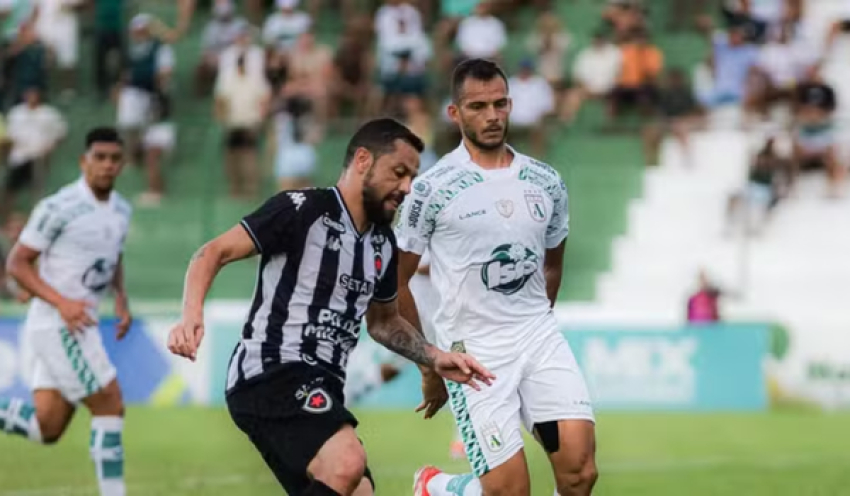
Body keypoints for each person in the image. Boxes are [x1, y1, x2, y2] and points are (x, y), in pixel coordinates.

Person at [166, 118, 494, 496]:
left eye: (412, 178)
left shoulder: (383, 243)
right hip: (272, 370)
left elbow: (385, 323)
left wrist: (431, 359)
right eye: (399, 173)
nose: (406, 188)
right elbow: (212, 252)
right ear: (363, 160)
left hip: (323, 382)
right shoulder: (300, 209)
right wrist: (191, 315)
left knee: (360, 492)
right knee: (346, 461)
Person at [399, 58, 597, 496]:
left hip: (537, 336)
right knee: (510, 492)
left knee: (580, 473)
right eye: (478, 106)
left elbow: (552, 262)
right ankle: (438, 488)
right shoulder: (431, 189)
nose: (491, 116)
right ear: (455, 113)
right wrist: (429, 363)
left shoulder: (546, 182)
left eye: (500, 104)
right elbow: (396, 283)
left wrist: (534, 319)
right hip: (474, 351)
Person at [0, 127, 133, 496]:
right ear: (83, 161)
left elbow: (113, 253)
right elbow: (17, 263)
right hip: (59, 323)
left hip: (77, 322)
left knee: (48, 426)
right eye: (100, 158)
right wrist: (62, 302)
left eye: (114, 159)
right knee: (110, 402)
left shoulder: (122, 209)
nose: (107, 166)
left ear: (122, 163)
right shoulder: (58, 208)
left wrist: (121, 296)